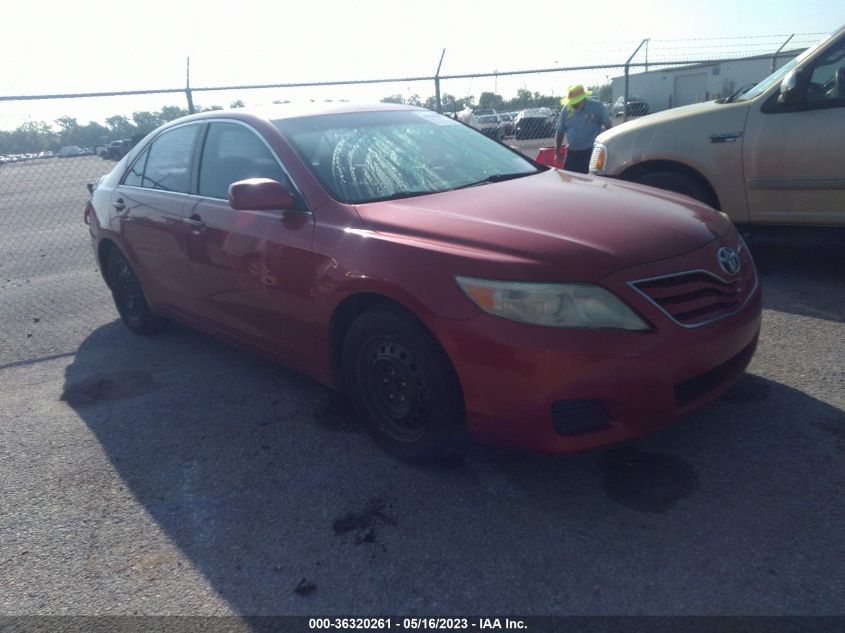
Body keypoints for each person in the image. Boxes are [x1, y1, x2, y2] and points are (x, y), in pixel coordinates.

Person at [554, 84, 612, 174]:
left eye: (575, 102)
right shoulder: (566, 109)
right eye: (571, 102)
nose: (573, 104)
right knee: (568, 179)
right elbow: (560, 131)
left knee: (589, 181)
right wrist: (557, 152)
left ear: (582, 99)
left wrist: (607, 147)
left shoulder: (596, 107)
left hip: (590, 152)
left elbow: (608, 126)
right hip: (572, 152)